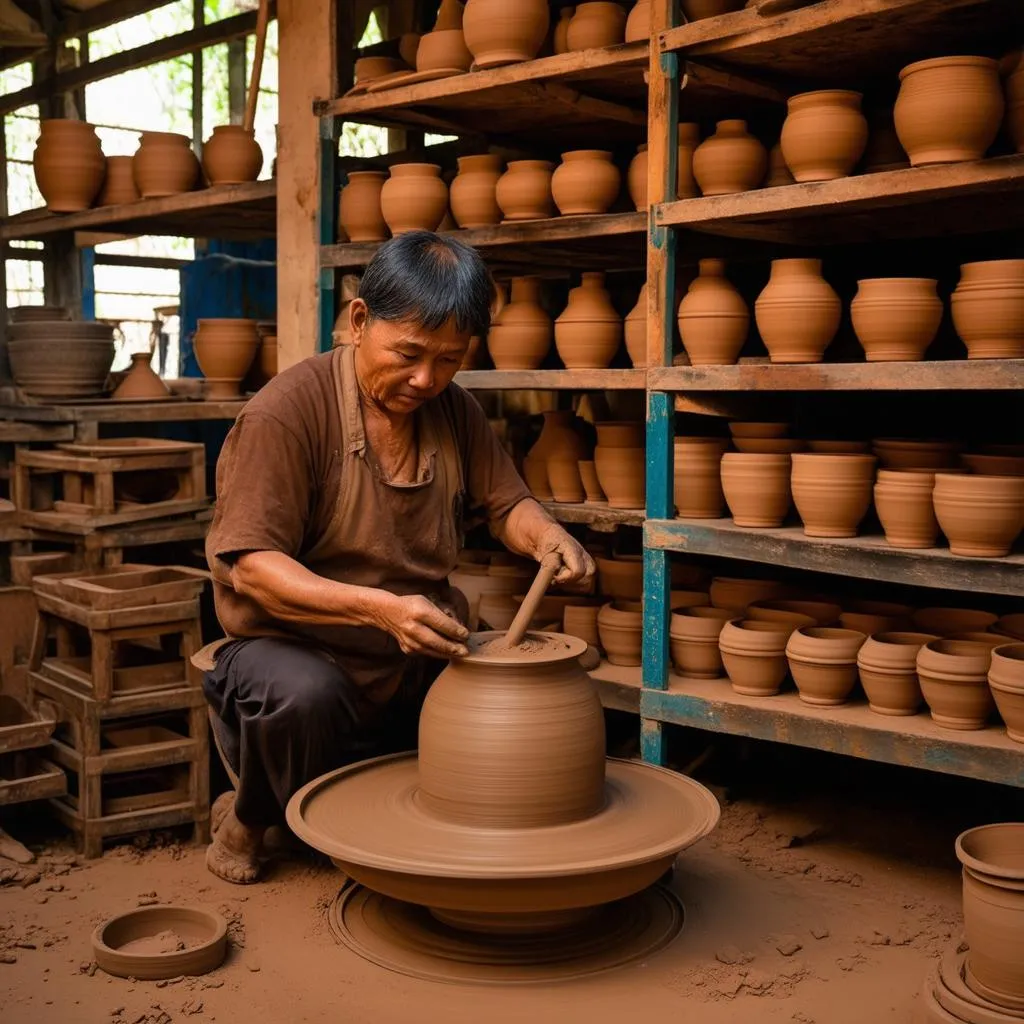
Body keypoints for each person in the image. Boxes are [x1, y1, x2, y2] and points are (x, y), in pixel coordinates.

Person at [202, 231, 595, 883]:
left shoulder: (454, 410)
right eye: (410, 354)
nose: (426, 379)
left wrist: (546, 533)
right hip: (293, 646)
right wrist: (375, 609)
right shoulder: (287, 414)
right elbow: (249, 566)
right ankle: (247, 821)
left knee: (511, 693)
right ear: (359, 321)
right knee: (307, 696)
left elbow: (506, 505)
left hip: (414, 641)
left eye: (449, 360)